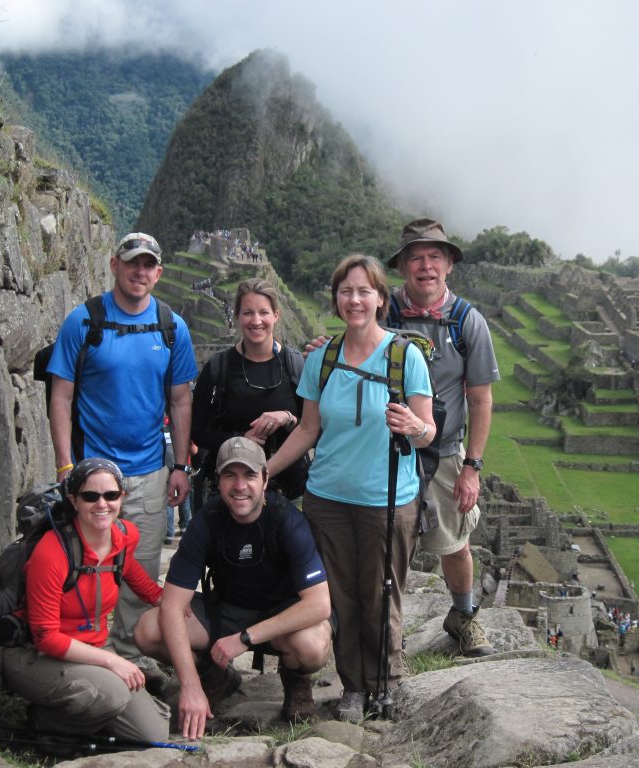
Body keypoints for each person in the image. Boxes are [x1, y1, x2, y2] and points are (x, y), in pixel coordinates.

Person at [268, 253, 435, 722]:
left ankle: (387, 682)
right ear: (336, 300)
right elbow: (306, 430)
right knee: (339, 599)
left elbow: (429, 432)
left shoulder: (406, 357)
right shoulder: (322, 360)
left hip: (387, 500)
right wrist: (266, 469)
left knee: (381, 595)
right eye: (346, 291)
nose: (355, 299)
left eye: (365, 291)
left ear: (381, 299)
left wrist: (412, 427)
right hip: (327, 500)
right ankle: (354, 688)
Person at [46, 232, 198, 673]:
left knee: (141, 572)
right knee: (84, 568)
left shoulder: (172, 327)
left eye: (149, 265)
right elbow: (61, 395)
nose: (140, 272)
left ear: (159, 273)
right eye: (133, 263)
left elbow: (181, 399)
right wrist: (64, 464)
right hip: (93, 474)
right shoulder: (85, 320)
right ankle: (87, 656)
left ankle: (130, 662)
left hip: (149, 472)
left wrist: (181, 467)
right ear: (115, 265)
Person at [135, 437, 332, 739]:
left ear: (265, 479)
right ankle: (212, 676)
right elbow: (173, 604)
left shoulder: (287, 520)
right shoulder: (208, 520)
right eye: (230, 475)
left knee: (313, 645)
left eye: (249, 475)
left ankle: (296, 683)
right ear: (218, 480)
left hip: (280, 620)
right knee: (148, 629)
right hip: (224, 613)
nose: (240, 486)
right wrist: (189, 687)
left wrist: (245, 639)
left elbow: (319, 605)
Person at [386, 219, 500, 657]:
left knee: (454, 544)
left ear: (449, 264)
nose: (426, 266)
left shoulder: (467, 323)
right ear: (403, 267)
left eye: (435, 256)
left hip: (444, 452)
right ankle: (384, 628)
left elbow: (482, 400)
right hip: (388, 449)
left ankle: (463, 615)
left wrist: (472, 467)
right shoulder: (383, 313)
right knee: (385, 544)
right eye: (416, 257)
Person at [2, 459, 169, 741]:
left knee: (152, 736)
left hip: (92, 649)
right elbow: (46, 638)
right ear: (74, 500)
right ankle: (46, 723)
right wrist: (111, 661)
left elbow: (137, 579)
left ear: (122, 497)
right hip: (37, 655)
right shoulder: (51, 553)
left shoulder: (124, 537)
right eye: (90, 496)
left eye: (111, 495)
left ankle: (88, 716)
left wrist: (173, 604)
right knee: (112, 696)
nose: (102, 504)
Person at [191, 279, 307, 499]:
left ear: (276, 315)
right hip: (234, 493)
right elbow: (199, 431)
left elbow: (313, 430)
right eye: (247, 313)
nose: (256, 321)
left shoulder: (296, 366)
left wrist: (288, 418)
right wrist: (240, 439)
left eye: (263, 312)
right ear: (237, 317)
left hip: (289, 491)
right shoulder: (217, 369)